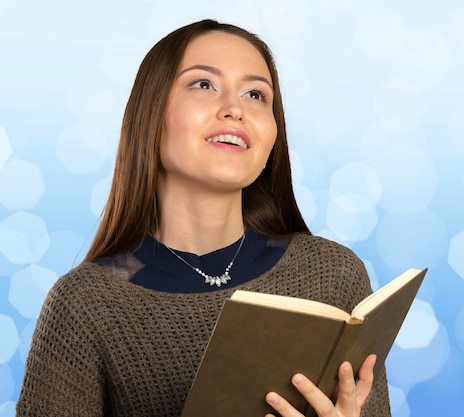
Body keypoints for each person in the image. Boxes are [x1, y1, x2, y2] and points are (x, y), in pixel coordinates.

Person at [16, 19, 391, 417]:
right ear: (151, 114)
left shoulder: (334, 274)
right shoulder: (84, 304)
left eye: (256, 94)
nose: (235, 109)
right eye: (203, 84)